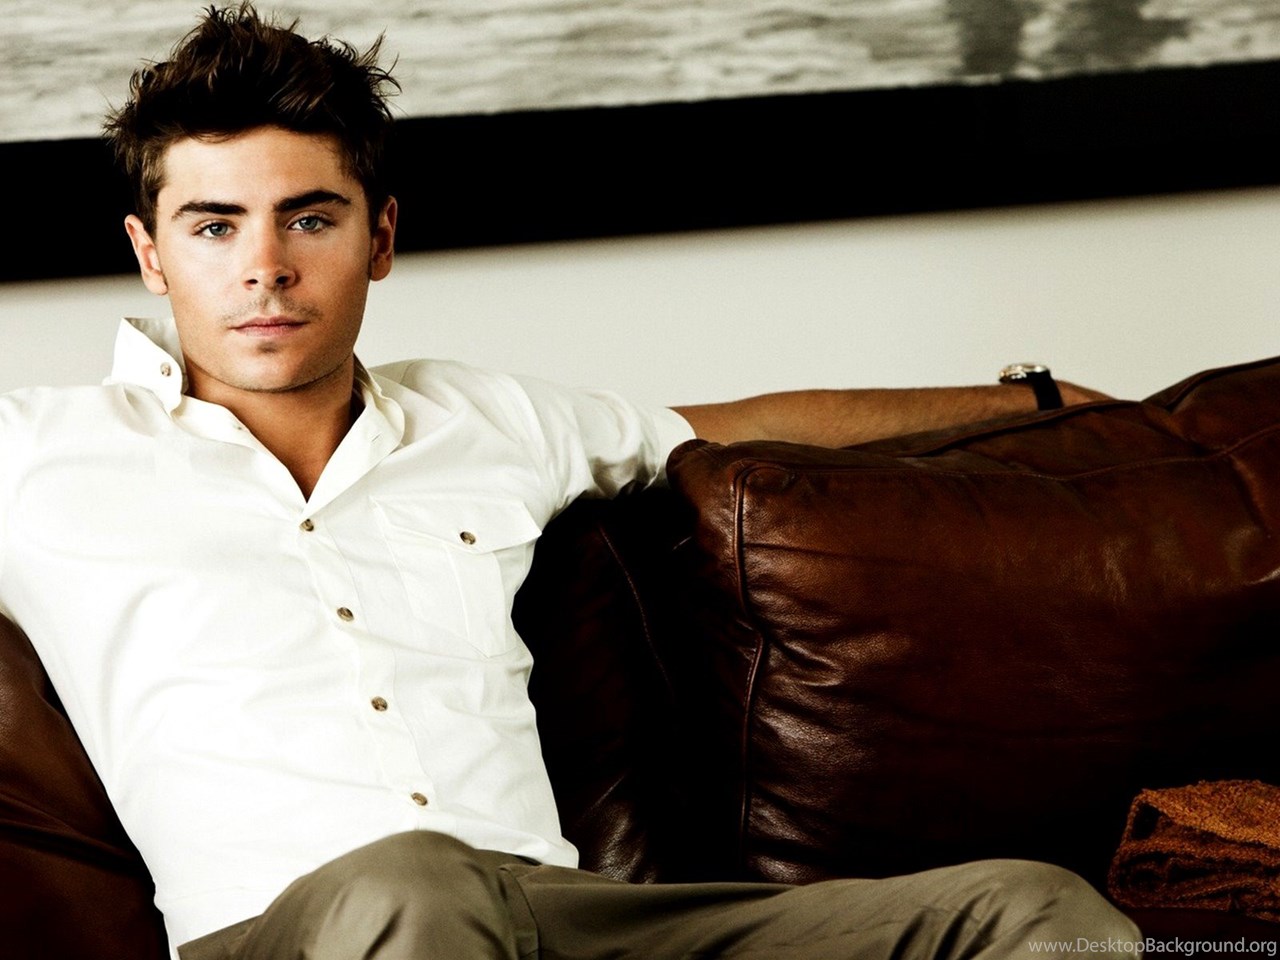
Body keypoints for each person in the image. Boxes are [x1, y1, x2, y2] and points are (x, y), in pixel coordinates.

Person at [0, 4, 1137, 958]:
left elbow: (750, 427)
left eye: (310, 218)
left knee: (1035, 913)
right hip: (295, 931)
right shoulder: (39, 450)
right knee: (413, 881)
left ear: (379, 238)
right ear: (150, 254)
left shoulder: (488, 420)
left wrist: (1036, 400)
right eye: (214, 227)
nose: (266, 267)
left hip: (572, 920)